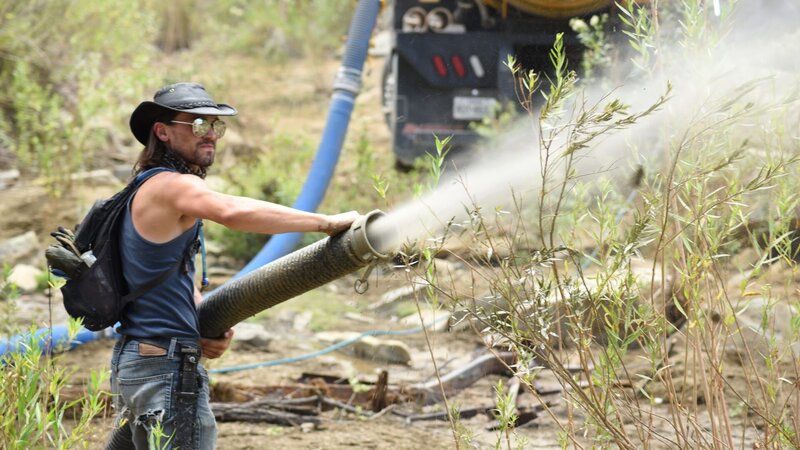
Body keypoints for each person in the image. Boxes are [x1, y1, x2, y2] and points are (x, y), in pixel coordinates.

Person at [107, 82, 359, 449]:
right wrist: (328, 222)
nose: (210, 134)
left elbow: (169, 276)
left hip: (140, 359)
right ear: (162, 131)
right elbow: (232, 211)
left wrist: (198, 323)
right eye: (197, 125)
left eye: (215, 126)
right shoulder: (172, 186)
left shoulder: (141, 188)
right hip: (163, 368)